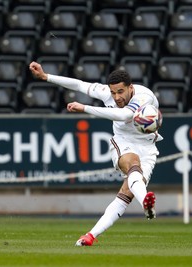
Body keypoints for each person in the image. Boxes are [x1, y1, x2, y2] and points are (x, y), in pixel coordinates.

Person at [29, 62, 162, 246]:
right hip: (123, 142)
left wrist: (85, 108)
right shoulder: (107, 93)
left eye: (121, 92)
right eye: (113, 92)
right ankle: (145, 204)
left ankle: (91, 235)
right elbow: (79, 84)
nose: (116, 97)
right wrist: (46, 77)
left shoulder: (143, 96)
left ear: (130, 88)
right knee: (133, 166)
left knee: (125, 194)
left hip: (148, 146)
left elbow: (124, 115)